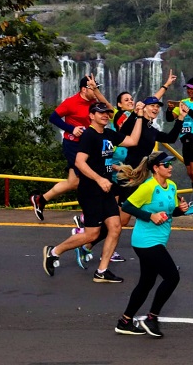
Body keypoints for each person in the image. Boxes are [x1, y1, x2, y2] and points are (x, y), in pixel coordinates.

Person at [72, 71, 178, 266]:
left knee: (122, 220)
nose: (155, 109)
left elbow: (170, 137)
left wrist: (179, 119)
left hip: (140, 175)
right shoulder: (129, 121)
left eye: (157, 107)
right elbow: (125, 116)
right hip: (129, 175)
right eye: (151, 106)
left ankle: (90, 241)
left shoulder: (151, 129)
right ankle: (87, 237)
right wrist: (95, 90)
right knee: (120, 220)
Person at [42, 102, 143, 282]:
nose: (105, 115)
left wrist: (140, 116)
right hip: (90, 190)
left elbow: (133, 141)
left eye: (107, 113)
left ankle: (102, 271)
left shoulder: (108, 134)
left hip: (106, 189)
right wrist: (99, 178)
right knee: (92, 234)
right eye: (100, 113)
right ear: (91, 116)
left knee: (115, 227)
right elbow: (80, 162)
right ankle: (54, 251)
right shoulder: (89, 135)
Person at [114, 152, 189, 337]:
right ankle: (152, 318)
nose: (170, 167)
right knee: (172, 277)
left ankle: (125, 321)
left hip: (159, 240)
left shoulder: (171, 186)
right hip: (145, 241)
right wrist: (150, 216)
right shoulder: (148, 187)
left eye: (170, 164)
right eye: (166, 164)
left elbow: (169, 212)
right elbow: (128, 206)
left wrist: (180, 210)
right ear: (156, 168)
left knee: (146, 283)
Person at [31, 74, 113, 221]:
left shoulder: (96, 102)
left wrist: (98, 93)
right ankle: (86, 216)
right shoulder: (71, 102)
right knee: (89, 179)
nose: (95, 91)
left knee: (73, 182)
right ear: (83, 89)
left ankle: (40, 199)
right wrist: (71, 128)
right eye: (93, 88)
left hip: (89, 145)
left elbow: (111, 112)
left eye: (97, 88)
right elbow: (53, 118)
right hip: (73, 145)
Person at [167, 77, 193, 215]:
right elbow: (170, 118)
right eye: (188, 88)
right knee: (191, 173)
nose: (189, 90)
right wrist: (170, 109)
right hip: (185, 139)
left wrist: (189, 111)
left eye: (192, 88)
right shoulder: (182, 102)